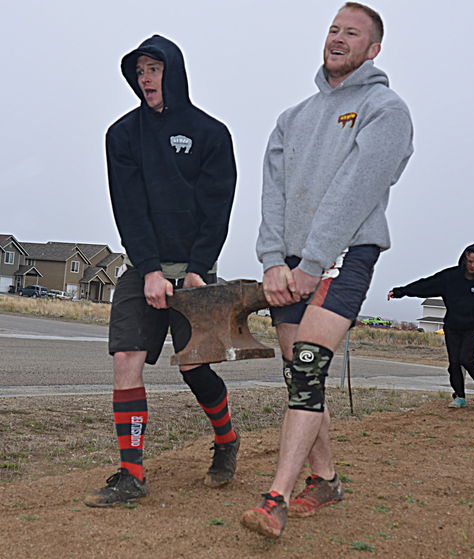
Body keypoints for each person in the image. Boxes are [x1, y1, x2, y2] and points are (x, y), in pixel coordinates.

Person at [241, 3, 413, 538]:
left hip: (346, 254)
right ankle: (328, 479)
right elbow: (273, 192)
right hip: (291, 262)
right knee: (300, 379)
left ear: (373, 49)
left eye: (352, 32)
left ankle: (277, 498)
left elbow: (356, 187)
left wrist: (316, 262)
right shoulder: (292, 118)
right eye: (333, 29)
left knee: (310, 367)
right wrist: (273, 261)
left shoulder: (385, 109)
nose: (338, 37)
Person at [85, 35, 238, 507]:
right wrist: (150, 270)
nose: (145, 78)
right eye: (140, 71)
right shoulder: (122, 135)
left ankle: (227, 439)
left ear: (174, 71)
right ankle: (131, 474)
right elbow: (128, 207)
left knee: (194, 366)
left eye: (154, 68)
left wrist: (196, 270)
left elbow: (217, 208)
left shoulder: (211, 134)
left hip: (194, 268)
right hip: (143, 267)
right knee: (125, 361)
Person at [388, 244, 474, 408]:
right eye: (470, 262)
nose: (472, 266)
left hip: (473, 326)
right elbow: (426, 285)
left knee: (466, 358)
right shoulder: (450, 277)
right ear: (464, 260)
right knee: (454, 363)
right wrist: (400, 292)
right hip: (453, 325)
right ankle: (460, 397)